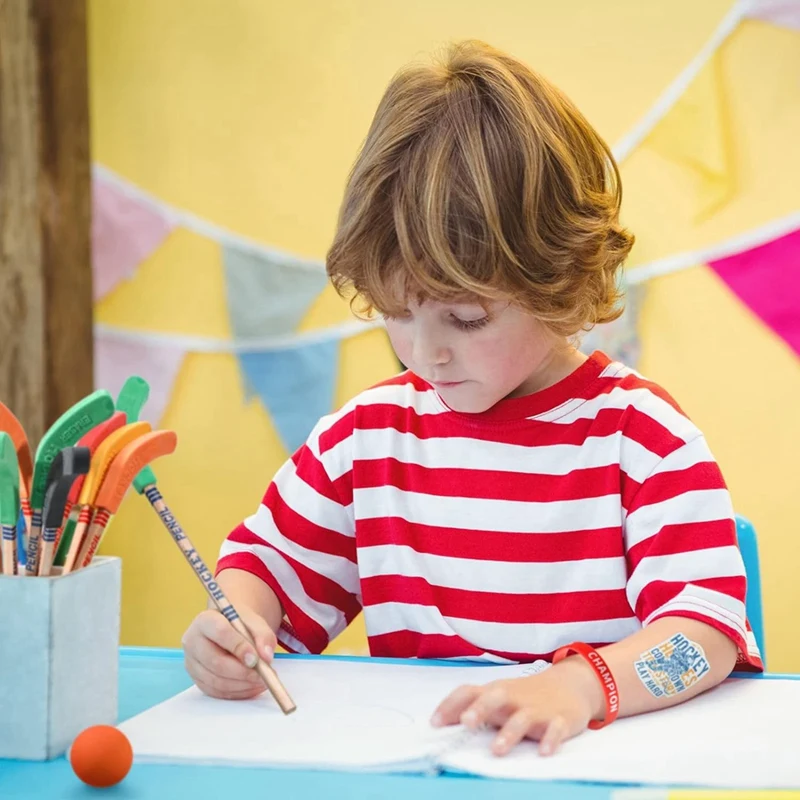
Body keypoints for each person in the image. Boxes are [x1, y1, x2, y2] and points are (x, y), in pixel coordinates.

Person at [181, 39, 762, 757]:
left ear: (560, 280)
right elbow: (264, 573)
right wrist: (236, 627)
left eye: (465, 319)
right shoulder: (365, 441)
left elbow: (705, 636)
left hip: (585, 773)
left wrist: (580, 688)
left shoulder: (641, 439)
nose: (425, 352)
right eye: (397, 312)